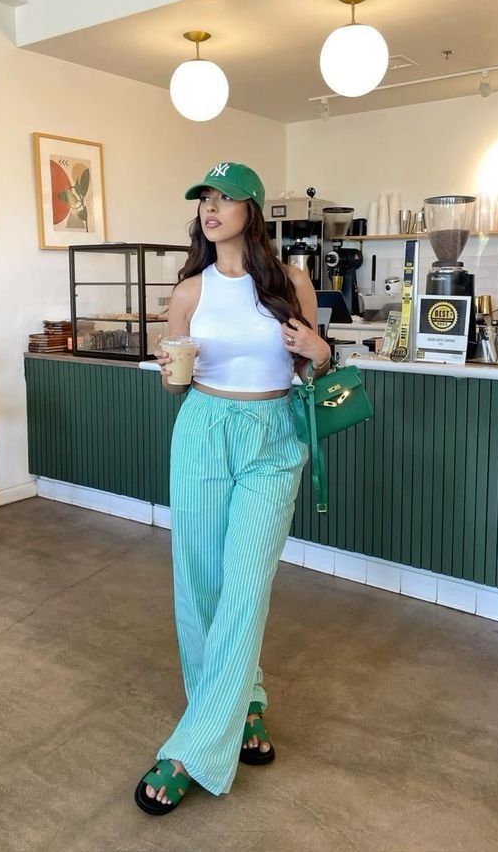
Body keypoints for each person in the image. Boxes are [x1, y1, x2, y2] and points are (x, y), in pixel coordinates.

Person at [134, 162, 332, 814]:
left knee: (245, 587)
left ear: (253, 210)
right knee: (199, 582)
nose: (211, 209)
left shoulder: (291, 282)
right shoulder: (188, 291)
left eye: (225, 198)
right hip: (203, 429)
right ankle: (243, 706)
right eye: (205, 200)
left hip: (273, 437)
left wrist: (320, 351)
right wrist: (169, 367)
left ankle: (192, 749)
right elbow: (174, 383)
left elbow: (311, 370)